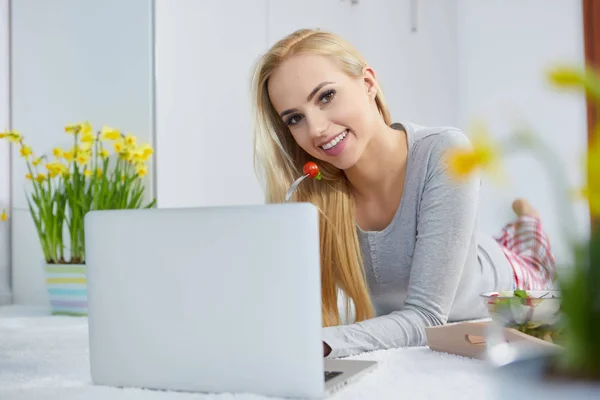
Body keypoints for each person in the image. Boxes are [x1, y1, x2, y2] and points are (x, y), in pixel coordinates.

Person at [250, 28, 556, 359]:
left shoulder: (444, 151)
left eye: (325, 97)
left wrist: (320, 344)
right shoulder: (312, 191)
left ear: (368, 84)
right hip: (460, 251)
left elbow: (427, 317)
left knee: (532, 255)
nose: (316, 129)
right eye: (295, 118)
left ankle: (527, 221)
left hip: (502, 280)